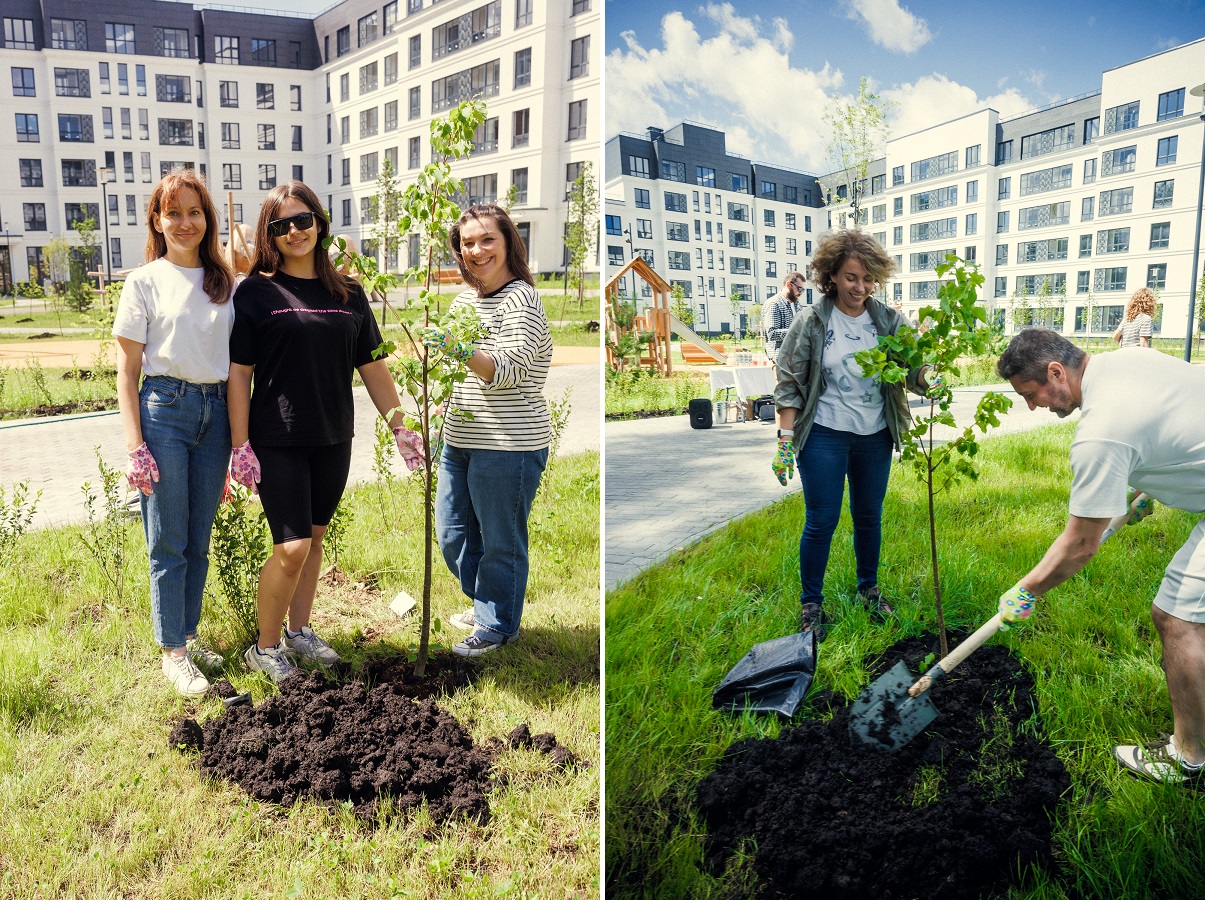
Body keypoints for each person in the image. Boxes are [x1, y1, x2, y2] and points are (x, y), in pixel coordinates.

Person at [227, 181, 420, 683]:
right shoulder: (256, 291)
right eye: (281, 224)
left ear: (320, 222)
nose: (294, 231)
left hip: (334, 435)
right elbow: (240, 373)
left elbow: (373, 366)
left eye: (303, 220)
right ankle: (265, 648)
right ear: (270, 233)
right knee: (289, 547)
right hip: (276, 437)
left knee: (313, 540)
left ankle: (300, 631)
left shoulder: (348, 292)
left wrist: (402, 428)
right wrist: (239, 445)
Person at [995, 328, 1205, 787]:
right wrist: (1147, 485)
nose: (1033, 407)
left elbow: (1081, 544)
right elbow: (1176, 421)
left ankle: (1188, 760)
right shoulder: (1128, 361)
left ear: (1056, 372)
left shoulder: (1100, 433)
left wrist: (1025, 591)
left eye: (1031, 395)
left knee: (1178, 618)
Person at [771, 230, 939, 640]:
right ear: (831, 276)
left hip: (874, 436)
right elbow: (790, 382)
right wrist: (784, 443)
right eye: (850, 277)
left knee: (868, 517)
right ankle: (812, 604)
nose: (859, 287)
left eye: (867, 279)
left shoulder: (887, 320)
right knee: (822, 520)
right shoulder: (812, 321)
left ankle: (868, 590)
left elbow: (912, 365)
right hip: (825, 435)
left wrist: (929, 377)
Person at [112, 169, 240, 698]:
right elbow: (126, 372)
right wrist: (134, 446)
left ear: (207, 218)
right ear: (157, 221)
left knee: (199, 537)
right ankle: (174, 652)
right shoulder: (144, 281)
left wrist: (240, 442)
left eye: (195, 212)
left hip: (217, 416)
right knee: (167, 537)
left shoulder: (225, 280)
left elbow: (236, 364)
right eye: (174, 213)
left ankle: (188, 632)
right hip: (165, 411)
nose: (185, 222)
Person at [421, 203, 553, 657]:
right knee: (454, 534)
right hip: (460, 440)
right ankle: (486, 603)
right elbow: (455, 373)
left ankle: (498, 625)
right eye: (467, 243)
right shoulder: (463, 302)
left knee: (500, 541)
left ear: (508, 242)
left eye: (486, 240)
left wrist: (458, 348)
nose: (476, 250)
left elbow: (506, 369)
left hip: (508, 444)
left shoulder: (522, 300)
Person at [763, 271, 805, 363]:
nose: (801, 292)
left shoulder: (797, 305)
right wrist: (796, 331)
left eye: (803, 290)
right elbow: (772, 333)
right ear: (789, 284)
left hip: (796, 360)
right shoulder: (774, 303)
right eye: (799, 289)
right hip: (780, 361)